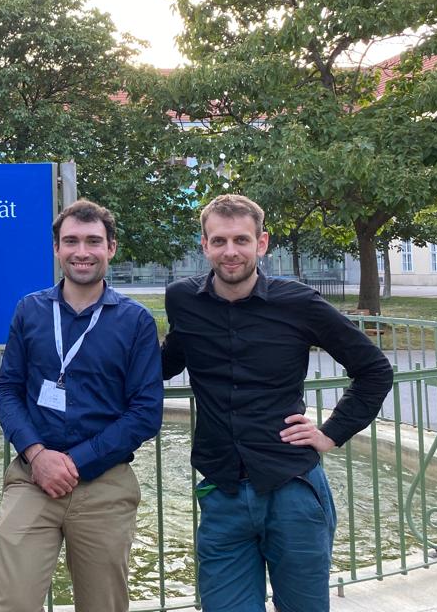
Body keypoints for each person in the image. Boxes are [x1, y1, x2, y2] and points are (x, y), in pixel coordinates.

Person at [162, 194, 394, 612]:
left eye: (241, 240)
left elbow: (374, 369)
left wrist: (331, 433)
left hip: (292, 489)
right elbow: (167, 361)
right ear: (205, 245)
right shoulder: (183, 300)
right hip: (222, 491)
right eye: (219, 241)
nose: (230, 251)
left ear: (262, 243)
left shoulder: (299, 303)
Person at [0, 199, 164, 612]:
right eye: (71, 241)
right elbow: (7, 389)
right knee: (10, 602)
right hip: (33, 477)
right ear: (56, 249)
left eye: (93, 241)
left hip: (104, 482)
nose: (82, 251)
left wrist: (75, 461)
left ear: (111, 248)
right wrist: (37, 455)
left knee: (103, 606)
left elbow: (145, 412)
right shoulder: (30, 310)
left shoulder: (135, 321)